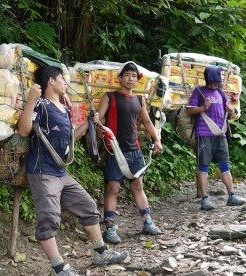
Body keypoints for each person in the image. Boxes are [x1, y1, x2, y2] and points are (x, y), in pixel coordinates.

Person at [17, 65, 127, 276]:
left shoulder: (65, 108)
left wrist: (88, 124)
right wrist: (31, 99)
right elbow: (23, 130)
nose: (65, 83)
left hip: (60, 172)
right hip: (42, 172)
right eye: (62, 79)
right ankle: (59, 269)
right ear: (51, 81)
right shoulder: (40, 104)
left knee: (88, 207)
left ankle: (101, 253)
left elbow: (70, 140)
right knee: (49, 219)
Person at [93, 61, 163, 244]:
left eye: (134, 76)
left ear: (137, 79)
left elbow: (147, 123)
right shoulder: (110, 97)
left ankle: (147, 223)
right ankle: (109, 228)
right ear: (120, 78)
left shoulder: (139, 100)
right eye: (127, 75)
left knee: (138, 186)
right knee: (113, 188)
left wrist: (156, 139)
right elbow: (99, 119)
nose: (130, 79)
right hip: (114, 150)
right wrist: (99, 127)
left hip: (135, 150)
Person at [186, 66, 245, 211]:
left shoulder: (220, 92)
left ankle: (231, 195)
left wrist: (230, 110)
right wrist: (203, 108)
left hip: (220, 134)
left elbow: (226, 107)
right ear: (214, 79)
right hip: (204, 133)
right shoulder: (199, 91)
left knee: (225, 165)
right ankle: (205, 199)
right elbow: (189, 109)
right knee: (203, 166)